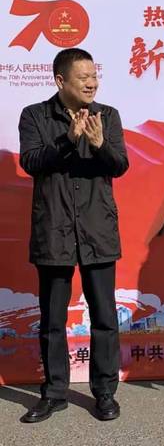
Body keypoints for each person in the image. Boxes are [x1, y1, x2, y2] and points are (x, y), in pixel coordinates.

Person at [18, 48, 129, 423]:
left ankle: (105, 392)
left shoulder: (107, 116)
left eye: (94, 76)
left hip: (98, 229)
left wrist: (99, 145)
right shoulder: (35, 115)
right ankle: (54, 393)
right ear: (60, 80)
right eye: (83, 77)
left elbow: (120, 165)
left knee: (104, 316)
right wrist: (67, 139)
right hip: (55, 230)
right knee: (52, 318)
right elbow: (31, 162)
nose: (92, 83)